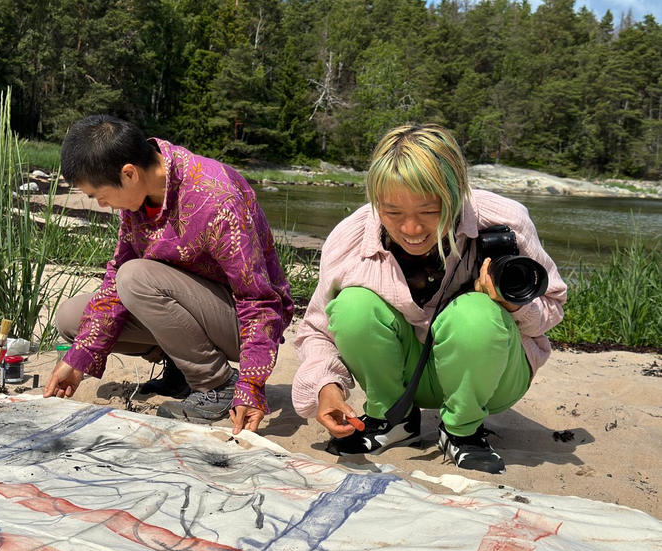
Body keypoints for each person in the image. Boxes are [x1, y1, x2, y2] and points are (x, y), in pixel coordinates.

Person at [292, 123, 567, 474]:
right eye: (393, 213)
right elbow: (316, 330)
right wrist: (326, 386)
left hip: (493, 378)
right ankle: (392, 420)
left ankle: (462, 430)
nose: (411, 229)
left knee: (475, 314)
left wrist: (512, 306)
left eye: (428, 211)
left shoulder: (506, 220)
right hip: (404, 377)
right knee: (352, 308)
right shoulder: (349, 237)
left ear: (456, 192)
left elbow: (553, 307)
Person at [44, 115, 294, 435]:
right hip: (188, 308)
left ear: (129, 174)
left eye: (98, 195)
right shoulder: (139, 198)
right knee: (71, 319)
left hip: (238, 323)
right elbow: (114, 280)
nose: (102, 204)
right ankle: (181, 370)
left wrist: (252, 385)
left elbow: (258, 300)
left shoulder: (215, 198)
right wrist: (79, 358)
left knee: (135, 277)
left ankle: (217, 384)